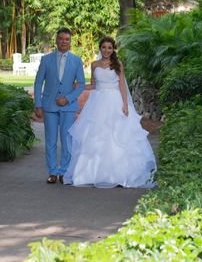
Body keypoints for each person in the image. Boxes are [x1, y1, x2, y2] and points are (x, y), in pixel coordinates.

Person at [64, 36, 156, 188]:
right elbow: (93, 85)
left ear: (113, 50)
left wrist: (125, 105)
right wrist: (78, 87)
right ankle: (91, 174)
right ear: (100, 48)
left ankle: (119, 174)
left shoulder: (117, 64)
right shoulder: (94, 65)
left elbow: (121, 86)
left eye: (109, 48)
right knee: (96, 136)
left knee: (117, 137)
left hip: (115, 101)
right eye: (104, 47)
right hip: (98, 103)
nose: (106, 50)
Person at [34, 28, 85, 184]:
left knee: (66, 139)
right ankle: (52, 172)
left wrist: (68, 98)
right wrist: (38, 104)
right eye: (61, 39)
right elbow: (38, 83)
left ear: (70, 42)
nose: (64, 42)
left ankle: (64, 171)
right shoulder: (46, 59)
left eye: (67, 39)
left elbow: (81, 84)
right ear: (56, 40)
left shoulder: (76, 60)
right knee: (50, 140)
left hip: (68, 107)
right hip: (49, 106)